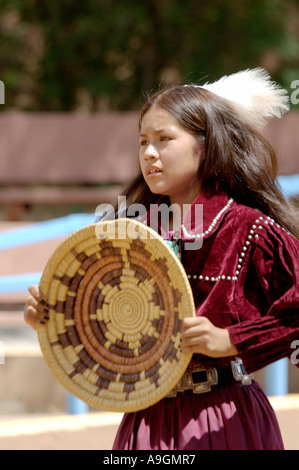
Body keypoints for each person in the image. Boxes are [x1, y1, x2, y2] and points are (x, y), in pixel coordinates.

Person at [24, 68, 299, 450]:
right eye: (143, 142)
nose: (149, 153)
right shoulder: (129, 231)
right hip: (145, 422)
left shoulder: (249, 228)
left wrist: (233, 340)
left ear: (207, 146)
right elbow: (108, 317)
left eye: (164, 139)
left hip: (223, 421)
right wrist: (52, 313)